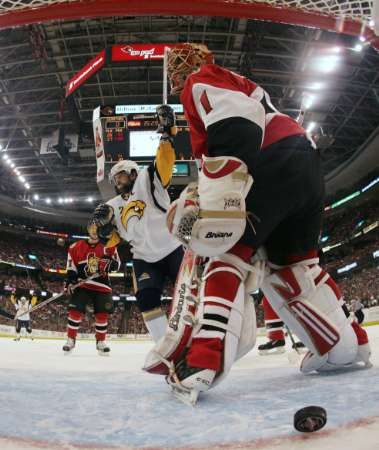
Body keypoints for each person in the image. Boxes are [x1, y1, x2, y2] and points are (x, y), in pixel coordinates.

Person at [144, 43, 371, 404]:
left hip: (267, 160)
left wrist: (221, 195)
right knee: (296, 267)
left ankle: (202, 362)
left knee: (224, 253)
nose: (175, 72)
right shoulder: (239, 80)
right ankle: (346, 345)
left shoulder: (200, 81)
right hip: (305, 164)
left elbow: (237, 121)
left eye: (178, 65)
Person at [90, 105, 183, 342]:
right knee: (146, 301)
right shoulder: (111, 205)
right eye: (114, 178)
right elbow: (112, 239)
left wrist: (166, 135)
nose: (116, 180)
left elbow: (164, 162)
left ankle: (197, 334)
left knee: (190, 294)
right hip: (144, 258)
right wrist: (102, 231)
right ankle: (165, 345)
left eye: (119, 175)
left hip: (173, 248)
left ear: (132, 173)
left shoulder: (147, 178)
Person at [63, 225, 120, 355]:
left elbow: (117, 264)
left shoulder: (109, 246)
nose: (94, 232)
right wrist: (70, 282)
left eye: (97, 229)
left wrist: (110, 264)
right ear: (88, 230)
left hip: (102, 285)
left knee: (102, 314)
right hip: (82, 284)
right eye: (92, 229)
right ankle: (71, 339)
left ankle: (100, 342)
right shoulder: (75, 247)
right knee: (75, 310)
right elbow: (71, 268)